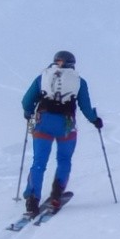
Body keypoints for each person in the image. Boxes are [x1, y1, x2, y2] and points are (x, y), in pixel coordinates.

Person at [21, 50, 103, 215]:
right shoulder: (79, 81)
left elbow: (26, 101)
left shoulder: (43, 77)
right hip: (66, 126)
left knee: (39, 162)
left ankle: (32, 199)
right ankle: (56, 195)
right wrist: (95, 120)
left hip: (43, 123)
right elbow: (85, 107)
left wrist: (28, 112)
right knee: (64, 160)